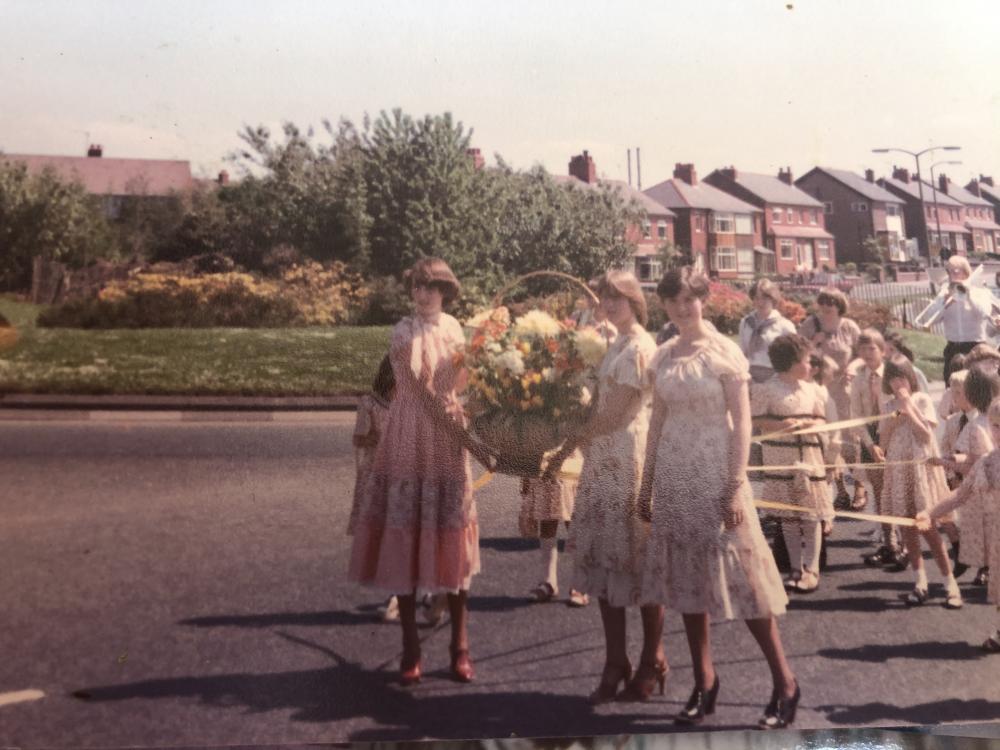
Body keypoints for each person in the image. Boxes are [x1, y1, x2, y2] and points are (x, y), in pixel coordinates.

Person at [640, 267, 799, 730]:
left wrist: (733, 484)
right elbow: (655, 423)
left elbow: (743, 423)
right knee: (687, 584)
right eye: (673, 303)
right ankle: (704, 682)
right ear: (665, 306)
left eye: (689, 301)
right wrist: (647, 483)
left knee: (745, 586)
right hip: (674, 476)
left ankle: (785, 683)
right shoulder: (664, 355)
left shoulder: (725, 352)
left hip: (716, 477)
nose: (682, 309)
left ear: (702, 300)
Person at [347, 257, 494, 686]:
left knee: (452, 535)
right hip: (410, 433)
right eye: (417, 286)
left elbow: (462, 388)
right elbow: (417, 392)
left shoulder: (456, 330)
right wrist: (470, 441)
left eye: (431, 286)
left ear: (447, 291)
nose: (423, 294)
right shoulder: (402, 332)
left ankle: (460, 646)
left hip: (448, 438)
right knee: (407, 535)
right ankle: (411, 648)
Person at [558, 270, 666, 704]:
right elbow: (598, 405)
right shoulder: (614, 344)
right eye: (605, 296)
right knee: (606, 563)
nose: (610, 303)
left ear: (637, 301)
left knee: (637, 563)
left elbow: (619, 414)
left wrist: (571, 436)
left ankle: (651, 658)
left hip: (628, 458)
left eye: (619, 297)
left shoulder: (640, 346)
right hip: (603, 458)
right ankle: (615, 659)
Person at [877, 355, 962, 609]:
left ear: (911, 377)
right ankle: (920, 583)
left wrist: (908, 407)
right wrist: (891, 419)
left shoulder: (922, 399)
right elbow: (883, 442)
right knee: (908, 530)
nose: (897, 383)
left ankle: (950, 585)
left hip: (920, 471)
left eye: (901, 377)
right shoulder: (887, 405)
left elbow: (926, 434)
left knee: (929, 529)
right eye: (892, 378)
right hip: (900, 471)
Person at [751, 335, 834, 594]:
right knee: (788, 516)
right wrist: (782, 425)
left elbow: (823, 421)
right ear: (791, 362)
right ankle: (795, 567)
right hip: (781, 459)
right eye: (806, 360)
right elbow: (757, 420)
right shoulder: (766, 389)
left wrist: (812, 425)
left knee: (811, 517)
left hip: (809, 459)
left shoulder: (813, 389)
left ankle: (812, 569)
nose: (811, 365)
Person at [917, 398, 1000, 652]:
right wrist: (930, 512)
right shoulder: (986, 462)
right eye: (996, 426)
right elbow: (961, 494)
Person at [797, 288, 861, 508]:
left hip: (844, 390)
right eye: (822, 304)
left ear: (839, 306)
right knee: (828, 443)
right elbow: (797, 354)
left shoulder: (849, 327)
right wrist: (814, 341)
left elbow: (863, 355)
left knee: (850, 440)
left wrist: (852, 368)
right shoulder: (810, 325)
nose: (825, 308)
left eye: (830, 304)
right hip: (819, 390)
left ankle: (860, 487)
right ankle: (841, 490)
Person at [347, 354, 399, 621]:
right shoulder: (369, 404)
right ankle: (398, 594)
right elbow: (360, 441)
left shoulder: (412, 405)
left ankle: (399, 595)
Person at [849, 329, 903, 568]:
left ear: (882, 350)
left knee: (898, 490)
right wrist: (870, 445)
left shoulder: (893, 374)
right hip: (870, 440)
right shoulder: (859, 379)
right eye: (862, 350)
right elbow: (856, 415)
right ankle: (889, 543)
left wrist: (885, 440)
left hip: (893, 436)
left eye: (872, 349)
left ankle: (904, 542)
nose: (867, 354)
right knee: (880, 492)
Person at [952, 368, 1000, 588]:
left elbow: (972, 459)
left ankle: (986, 568)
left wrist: (945, 461)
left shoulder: (979, 423)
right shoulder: (985, 419)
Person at [919, 255, 1000, 382]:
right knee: (951, 386)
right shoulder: (945, 293)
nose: (951, 276)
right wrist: (943, 303)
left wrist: (968, 295)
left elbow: (984, 313)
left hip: (975, 347)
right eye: (949, 272)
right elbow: (930, 319)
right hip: (953, 348)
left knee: (976, 388)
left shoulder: (980, 292)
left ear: (966, 272)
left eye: (955, 272)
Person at [519, 472, 589, 607]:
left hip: (572, 461)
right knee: (547, 519)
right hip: (547, 463)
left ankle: (581, 584)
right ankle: (548, 582)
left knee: (573, 519)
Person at [739, 279, 796, 384]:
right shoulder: (746, 323)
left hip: (775, 377)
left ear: (773, 299)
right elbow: (742, 352)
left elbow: (794, 356)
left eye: (765, 298)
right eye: (756, 298)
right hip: (750, 375)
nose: (760, 303)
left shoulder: (784, 325)